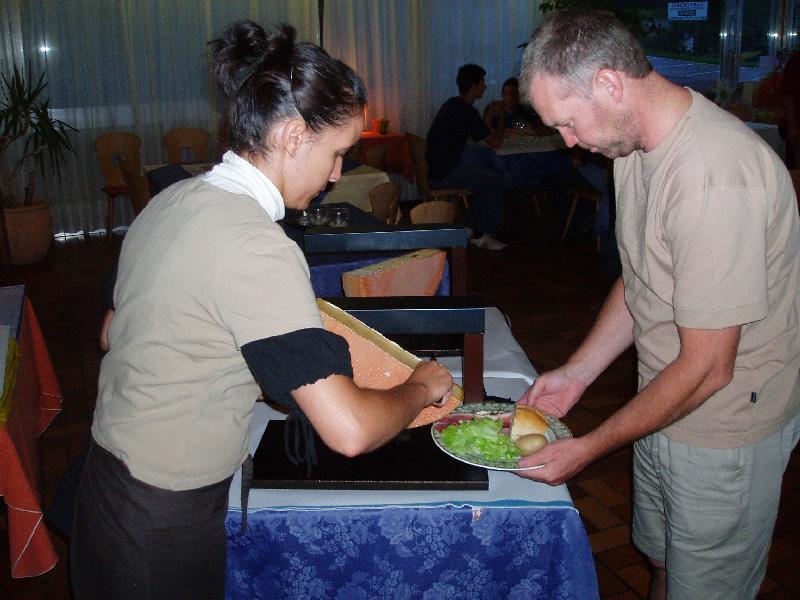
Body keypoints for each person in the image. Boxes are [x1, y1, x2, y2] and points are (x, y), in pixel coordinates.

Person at [71, 21, 453, 600]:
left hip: (106, 489)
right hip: (161, 518)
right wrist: (421, 387)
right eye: (337, 153)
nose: (335, 175)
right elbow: (348, 431)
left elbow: (114, 333)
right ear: (296, 135)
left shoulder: (174, 198)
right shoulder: (257, 244)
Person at [517, 8, 800, 600]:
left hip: (724, 428)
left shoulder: (712, 176)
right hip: (663, 400)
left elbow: (708, 367)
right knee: (664, 561)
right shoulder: (631, 148)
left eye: (567, 123)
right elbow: (643, 277)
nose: (569, 142)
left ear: (609, 83)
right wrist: (578, 373)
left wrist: (592, 447)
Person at [426, 64, 511, 250]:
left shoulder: (452, 104)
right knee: (497, 180)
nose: (485, 87)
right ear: (474, 86)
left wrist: (488, 117)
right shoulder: (467, 111)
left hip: (435, 168)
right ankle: (483, 234)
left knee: (487, 174)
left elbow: (479, 133)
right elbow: (496, 142)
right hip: (444, 173)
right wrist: (502, 116)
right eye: (483, 83)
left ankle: (469, 227)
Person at [483, 76, 547, 134]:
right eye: (506, 93)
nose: (509, 97)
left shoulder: (527, 111)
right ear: (502, 94)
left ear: (519, 95)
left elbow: (545, 130)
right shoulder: (493, 109)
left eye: (513, 94)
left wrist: (530, 130)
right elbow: (483, 130)